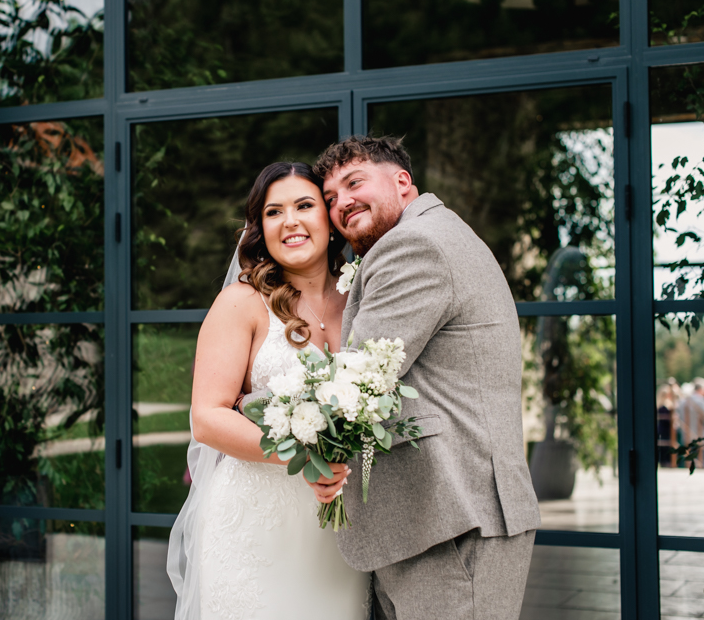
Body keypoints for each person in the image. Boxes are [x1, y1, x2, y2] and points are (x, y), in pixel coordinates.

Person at [313, 135, 541, 620]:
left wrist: (256, 407)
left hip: (455, 521)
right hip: (440, 519)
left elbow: (358, 378)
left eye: (354, 183)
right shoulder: (437, 233)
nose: (341, 202)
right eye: (330, 197)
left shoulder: (414, 244)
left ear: (402, 181)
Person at [166, 162, 370, 620]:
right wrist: (306, 457)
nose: (290, 221)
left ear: (329, 217)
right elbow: (207, 417)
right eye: (274, 212)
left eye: (304, 206)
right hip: (255, 525)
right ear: (260, 228)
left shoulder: (362, 298)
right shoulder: (242, 302)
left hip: (341, 529)